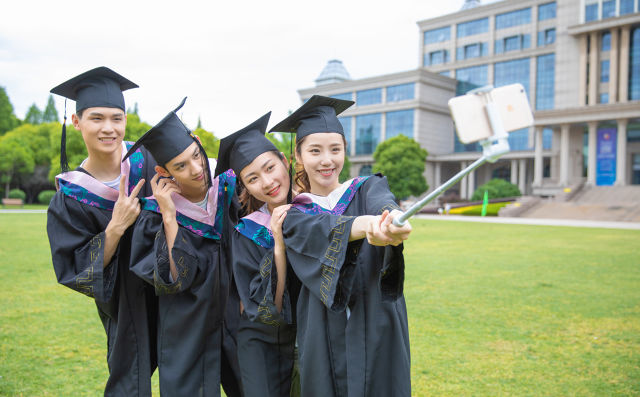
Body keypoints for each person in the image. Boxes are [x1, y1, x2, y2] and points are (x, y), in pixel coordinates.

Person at [269, 95, 413, 397]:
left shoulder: (367, 187)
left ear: (345, 151)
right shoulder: (294, 215)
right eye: (315, 151)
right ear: (298, 156)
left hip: (377, 321)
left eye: (336, 149)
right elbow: (322, 230)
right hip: (322, 333)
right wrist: (365, 226)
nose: (327, 160)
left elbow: (382, 204)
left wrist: (392, 220)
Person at [47, 66, 158, 396]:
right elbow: (76, 270)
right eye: (96, 118)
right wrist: (115, 228)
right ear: (77, 122)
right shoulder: (69, 197)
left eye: (117, 118)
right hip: (124, 307)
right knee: (127, 384)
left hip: (179, 292)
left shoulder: (149, 161)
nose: (108, 128)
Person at [126, 98, 242, 397]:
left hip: (237, 324)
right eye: (180, 165)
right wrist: (168, 216)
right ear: (164, 171)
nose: (195, 169)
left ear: (199, 142)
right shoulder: (153, 216)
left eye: (195, 156)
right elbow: (172, 280)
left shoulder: (230, 191)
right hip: (186, 332)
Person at [215, 112, 300, 397]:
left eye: (270, 168)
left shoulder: (317, 210)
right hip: (261, 341)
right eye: (252, 178)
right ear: (245, 186)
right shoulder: (248, 231)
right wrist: (278, 245)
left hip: (307, 338)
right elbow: (267, 308)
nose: (266, 182)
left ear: (285, 161)